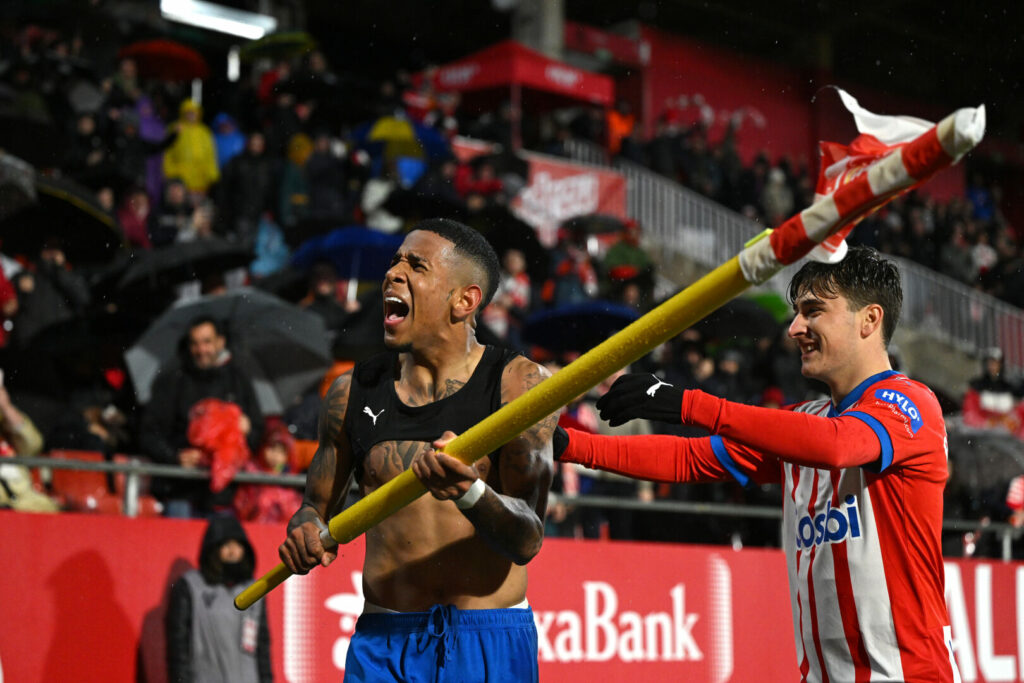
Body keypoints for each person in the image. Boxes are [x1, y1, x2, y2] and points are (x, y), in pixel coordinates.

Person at [554, 246, 960, 682]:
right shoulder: (804, 421)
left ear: (869, 319)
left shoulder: (910, 403)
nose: (795, 328)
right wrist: (567, 446)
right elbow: (691, 458)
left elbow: (838, 447)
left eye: (813, 311)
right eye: (797, 313)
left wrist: (690, 404)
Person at [277, 218, 556, 681]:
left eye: (416, 265)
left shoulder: (519, 384)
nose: (393, 273)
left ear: (465, 300)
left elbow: (527, 539)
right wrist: (305, 530)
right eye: (395, 262)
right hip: (384, 642)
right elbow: (313, 510)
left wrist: (471, 494)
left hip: (487, 636)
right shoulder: (350, 391)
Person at [139, 316, 263, 518]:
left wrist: (247, 430)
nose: (201, 350)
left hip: (224, 497)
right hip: (181, 491)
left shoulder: (238, 381)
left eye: (207, 342)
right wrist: (175, 457)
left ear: (220, 342)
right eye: (195, 343)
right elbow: (148, 433)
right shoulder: (172, 381)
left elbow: (258, 432)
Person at [166, 515, 271, 683]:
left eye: (238, 545)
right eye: (226, 545)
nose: (233, 551)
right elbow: (178, 646)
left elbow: (262, 648)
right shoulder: (191, 587)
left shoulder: (255, 590)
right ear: (213, 549)